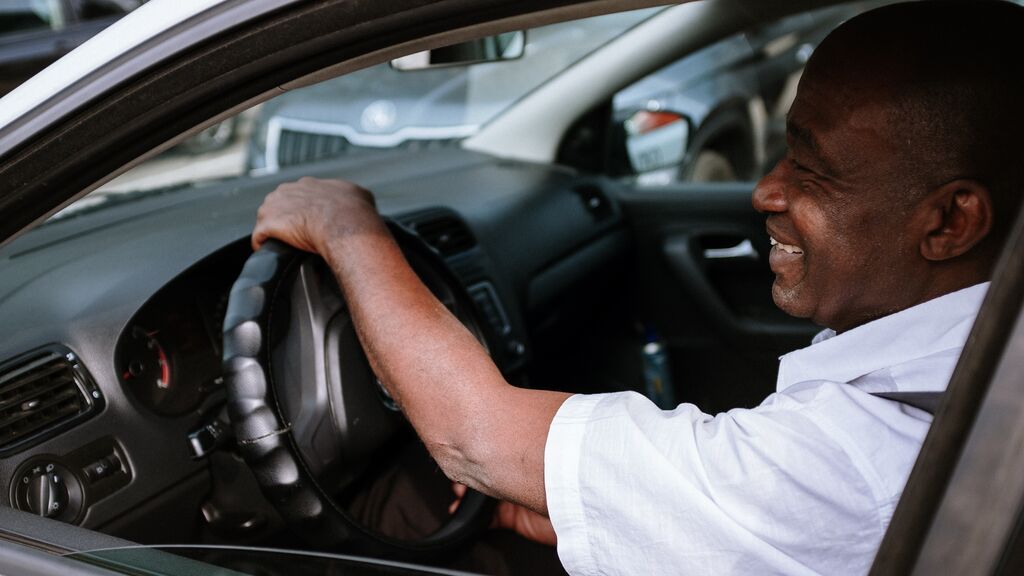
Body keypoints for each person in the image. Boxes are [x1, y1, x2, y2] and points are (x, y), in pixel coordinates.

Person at [250, 1, 1023, 574]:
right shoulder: (973, 378)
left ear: (951, 222)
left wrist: (345, 228)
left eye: (812, 169)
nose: (764, 192)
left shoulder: (855, 459)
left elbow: (470, 438)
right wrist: (618, 513)